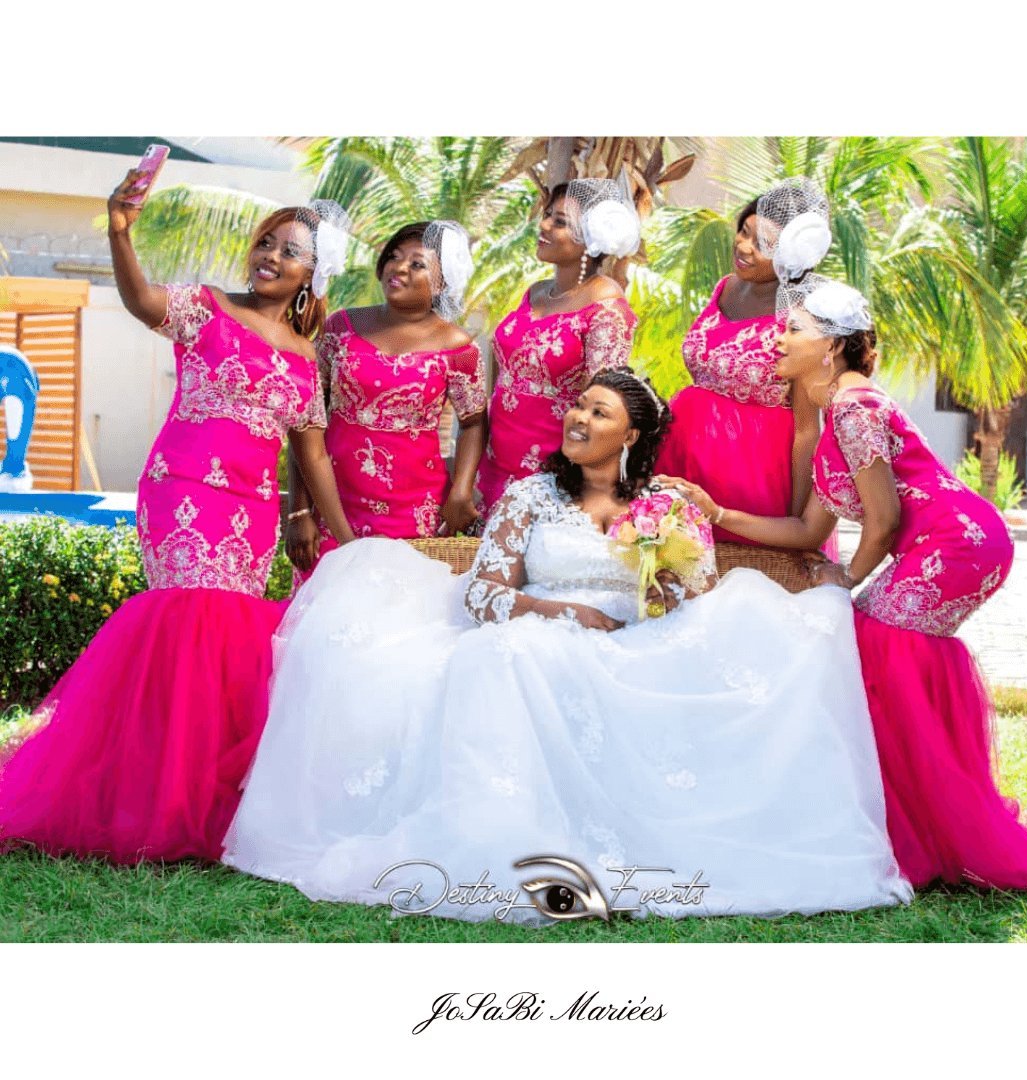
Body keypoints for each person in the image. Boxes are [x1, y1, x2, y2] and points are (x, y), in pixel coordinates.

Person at [223, 368, 911, 922]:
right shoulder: (529, 496)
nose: (578, 418)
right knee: (509, 655)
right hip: (538, 638)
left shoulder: (666, 507)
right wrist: (565, 613)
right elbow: (483, 595)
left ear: (634, 434)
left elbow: (690, 595)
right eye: (578, 406)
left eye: (600, 411)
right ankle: (517, 846)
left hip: (639, 648)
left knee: (754, 638)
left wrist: (661, 586)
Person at [662, 274, 1027, 889]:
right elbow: (808, 530)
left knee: (873, 648)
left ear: (830, 347)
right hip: (945, 544)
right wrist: (717, 512)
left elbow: (881, 523)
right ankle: (903, 822)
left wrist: (844, 581)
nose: (777, 339)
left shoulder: (853, 407)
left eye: (793, 329)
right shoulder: (837, 409)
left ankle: (929, 833)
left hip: (957, 544)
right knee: (864, 650)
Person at [0, 171, 355, 864]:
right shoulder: (206, 307)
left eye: (291, 251)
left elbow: (312, 460)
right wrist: (119, 228)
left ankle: (214, 806)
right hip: (183, 492)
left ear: (313, 275)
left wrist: (350, 541)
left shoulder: (307, 360)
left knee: (228, 644)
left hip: (252, 511)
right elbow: (139, 301)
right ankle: (146, 802)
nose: (271, 257)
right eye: (267, 243)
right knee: (184, 626)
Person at [286, 221, 486, 576]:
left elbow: (472, 422)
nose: (399, 267)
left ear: (442, 283)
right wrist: (300, 510)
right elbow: (305, 421)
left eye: (417, 263)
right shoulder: (340, 328)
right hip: (333, 504)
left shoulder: (459, 348)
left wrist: (461, 491)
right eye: (394, 257)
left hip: (415, 511)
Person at [654, 178, 835, 552]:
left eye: (763, 243)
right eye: (744, 231)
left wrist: (797, 524)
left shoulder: (802, 316)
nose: (744, 247)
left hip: (752, 481)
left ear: (795, 251)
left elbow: (806, 430)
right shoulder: (726, 286)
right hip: (680, 457)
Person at [475, 179, 640, 511]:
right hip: (496, 457)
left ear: (590, 238)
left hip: (551, 468)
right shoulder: (536, 291)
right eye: (547, 214)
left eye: (560, 221)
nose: (545, 225)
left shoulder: (606, 306)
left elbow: (603, 403)